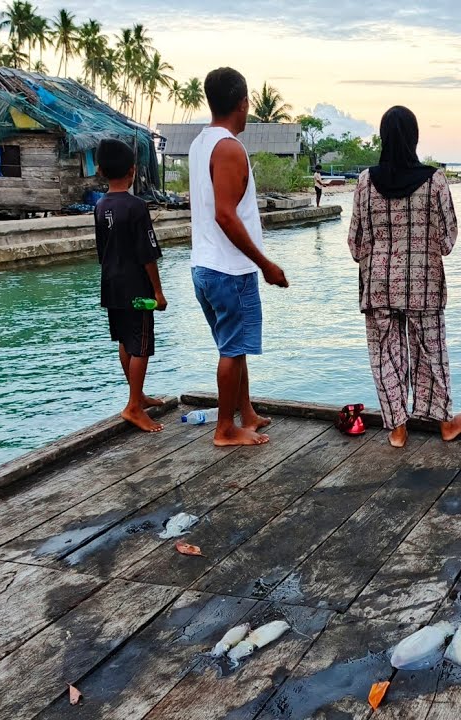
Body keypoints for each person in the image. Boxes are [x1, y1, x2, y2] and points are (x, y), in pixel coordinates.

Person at [347, 106, 461, 448]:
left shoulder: (364, 181)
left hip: (377, 285)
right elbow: (447, 240)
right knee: (431, 351)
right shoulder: (434, 181)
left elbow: (355, 243)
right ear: (415, 137)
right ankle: (445, 423)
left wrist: (380, 256)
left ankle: (397, 428)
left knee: (385, 355)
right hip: (425, 284)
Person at [189, 67, 289, 447]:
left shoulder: (201, 144)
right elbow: (225, 214)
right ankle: (224, 429)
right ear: (243, 102)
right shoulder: (229, 147)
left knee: (234, 344)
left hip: (205, 264)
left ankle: (244, 413)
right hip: (228, 269)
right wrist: (266, 265)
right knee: (232, 349)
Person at [94, 138, 167, 433]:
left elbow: (101, 250)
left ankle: (137, 396)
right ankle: (133, 406)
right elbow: (147, 254)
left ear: (101, 171)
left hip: (111, 284)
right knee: (142, 346)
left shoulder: (100, 206)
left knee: (125, 340)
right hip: (136, 286)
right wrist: (158, 292)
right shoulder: (136, 207)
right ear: (133, 171)